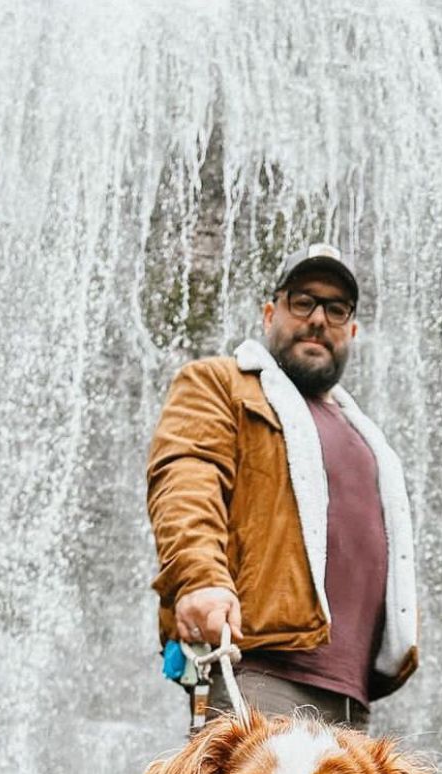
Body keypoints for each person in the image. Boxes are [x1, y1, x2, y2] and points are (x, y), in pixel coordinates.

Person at [147, 243, 419, 731]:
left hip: (353, 693)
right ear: (270, 312)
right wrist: (199, 578)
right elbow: (186, 478)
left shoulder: (363, 431)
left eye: (336, 310)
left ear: (352, 330)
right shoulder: (221, 384)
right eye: (303, 302)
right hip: (261, 669)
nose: (318, 319)